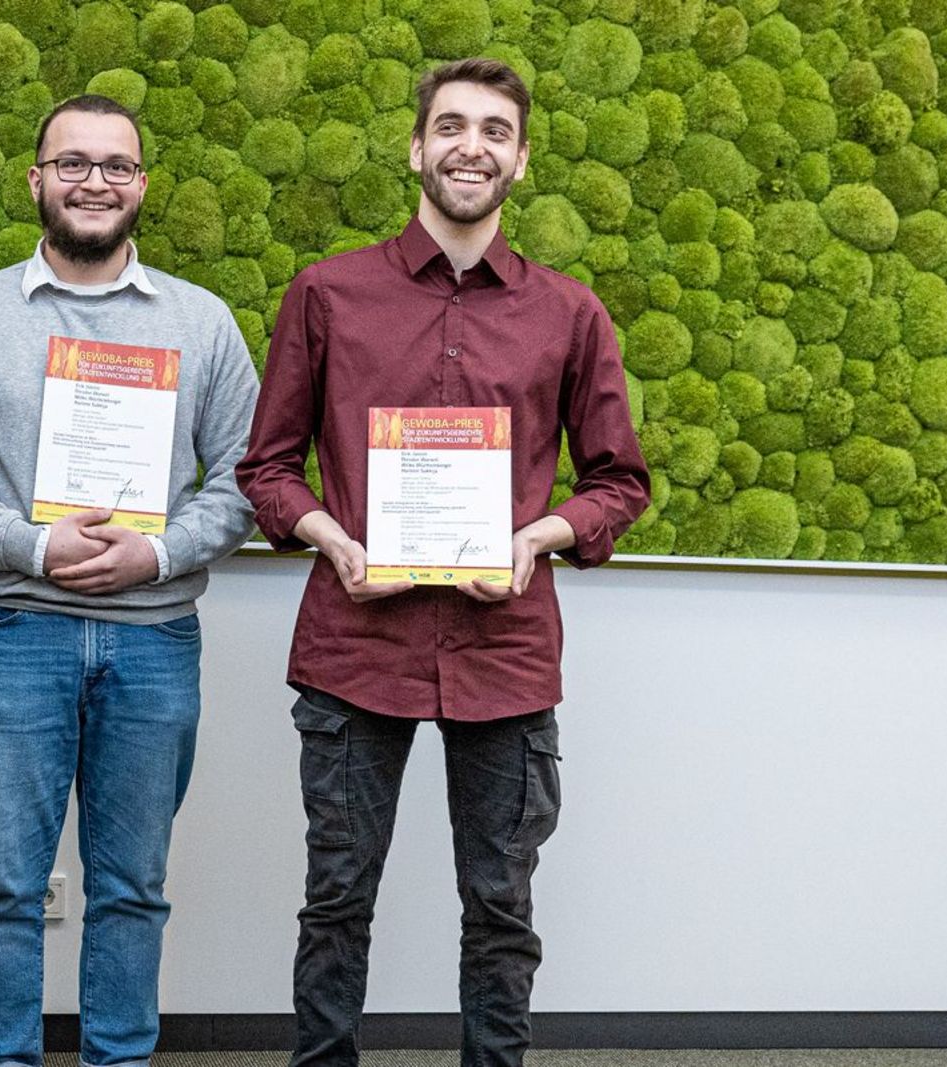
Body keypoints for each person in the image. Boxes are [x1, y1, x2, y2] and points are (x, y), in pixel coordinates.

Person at [235, 58, 652, 1067]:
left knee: (500, 904)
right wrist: (328, 535)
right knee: (337, 898)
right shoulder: (327, 292)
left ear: (520, 160)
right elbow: (265, 466)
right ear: (416, 147)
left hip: (503, 647)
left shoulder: (570, 312)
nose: (473, 144)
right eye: (453, 125)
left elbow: (617, 481)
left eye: (496, 130)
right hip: (354, 644)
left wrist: (535, 537)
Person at [0, 93, 260, 1067]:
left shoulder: (200, 322)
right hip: (8, 631)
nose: (93, 181)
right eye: (71, 163)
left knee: (132, 885)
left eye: (114, 165)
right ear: (35, 181)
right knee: (0, 884)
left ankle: (120, 1058)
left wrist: (156, 552)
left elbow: (247, 474)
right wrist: (37, 545)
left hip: (153, 640)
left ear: (142, 185)